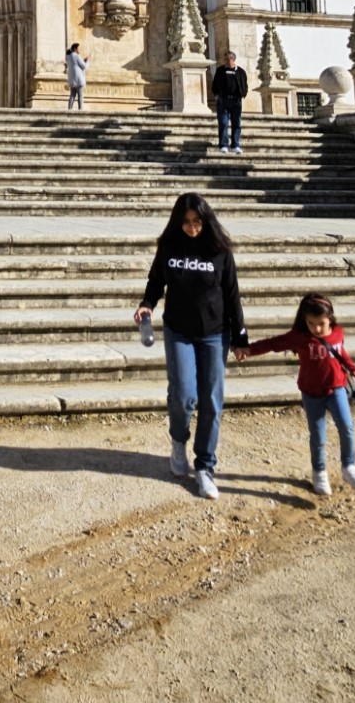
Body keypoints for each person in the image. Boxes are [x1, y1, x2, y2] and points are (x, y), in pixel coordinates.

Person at [134, 193, 249, 500]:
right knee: (184, 395)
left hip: (215, 333)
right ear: (177, 222)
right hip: (179, 331)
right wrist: (147, 305)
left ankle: (205, 467)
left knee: (212, 400)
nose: (192, 228)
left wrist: (240, 337)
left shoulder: (220, 251)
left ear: (206, 220)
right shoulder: (169, 245)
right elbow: (156, 281)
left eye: (197, 221)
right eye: (185, 222)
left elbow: (232, 293)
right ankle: (178, 440)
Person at [237, 293, 355, 495]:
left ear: (330, 319)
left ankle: (349, 466)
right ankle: (319, 472)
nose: (316, 328)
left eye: (321, 324)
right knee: (318, 436)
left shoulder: (338, 333)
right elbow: (273, 343)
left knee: (347, 426)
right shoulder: (299, 338)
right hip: (312, 393)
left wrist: (352, 368)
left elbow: (341, 352)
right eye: (311, 323)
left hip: (336, 389)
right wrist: (248, 350)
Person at [211, 50, 248, 155]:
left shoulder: (240, 71)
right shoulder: (220, 71)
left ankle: (236, 145)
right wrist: (217, 95)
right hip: (223, 100)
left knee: (237, 124)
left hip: (236, 101)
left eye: (228, 59)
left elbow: (244, 84)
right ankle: (223, 145)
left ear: (233, 59)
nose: (226, 61)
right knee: (223, 123)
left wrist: (243, 94)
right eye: (225, 59)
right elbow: (215, 84)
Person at [66, 43, 89, 110]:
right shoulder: (77, 56)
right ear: (75, 49)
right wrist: (87, 61)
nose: (80, 50)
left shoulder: (68, 56)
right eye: (79, 48)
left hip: (71, 79)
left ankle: (69, 109)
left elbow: (76, 64)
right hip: (79, 79)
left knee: (72, 95)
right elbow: (84, 67)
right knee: (80, 96)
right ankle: (80, 110)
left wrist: (83, 61)